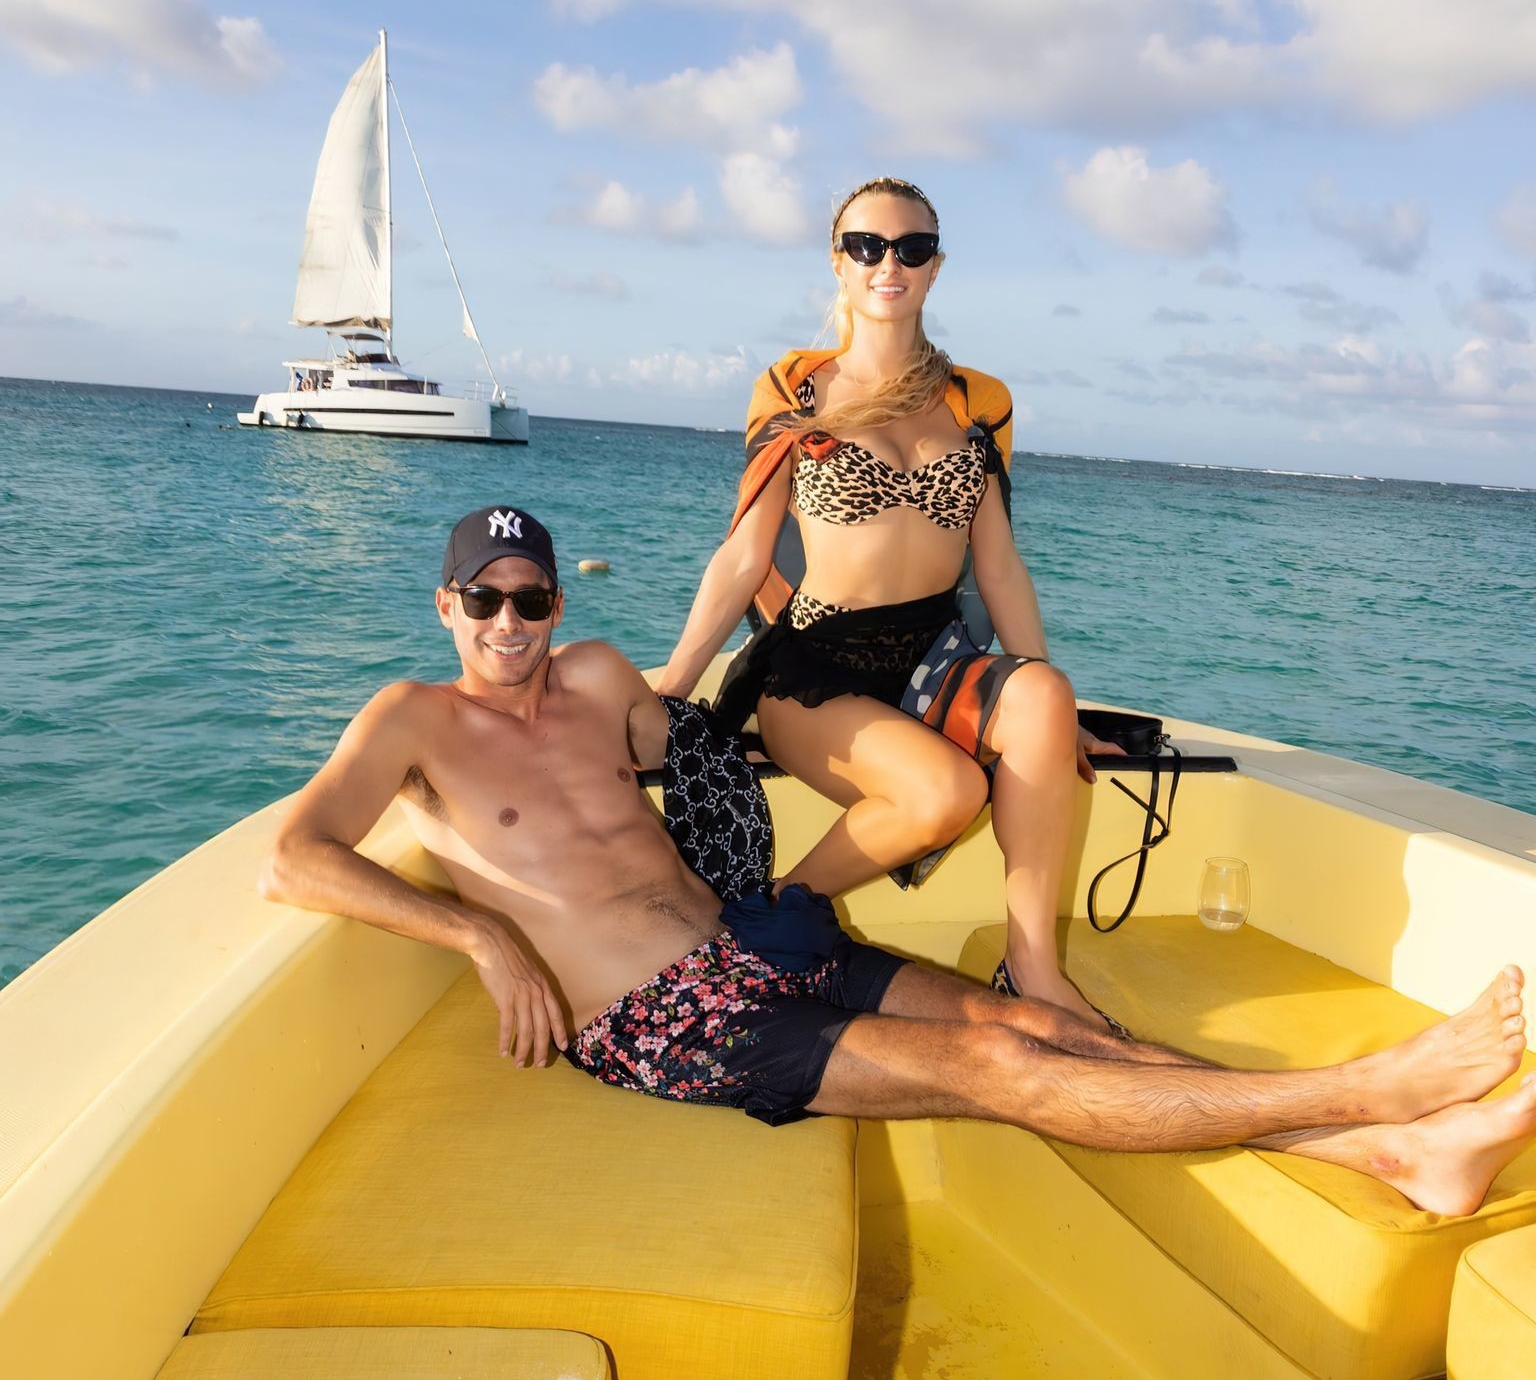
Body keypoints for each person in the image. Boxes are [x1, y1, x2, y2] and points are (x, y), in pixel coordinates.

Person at [256, 503, 1536, 1218]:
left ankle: (1395, 1156)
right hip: (657, 1017)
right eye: (483, 599)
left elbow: (708, 740)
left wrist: (953, 711)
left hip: (751, 942)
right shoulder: (412, 722)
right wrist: (481, 936)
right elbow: (294, 857)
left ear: (558, 607)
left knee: (1044, 1024)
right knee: (1002, 1070)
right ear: (446, 606)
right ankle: (1374, 1092)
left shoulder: (597, 682)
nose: (509, 622)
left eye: (531, 597)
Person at [656, 176, 1125, 1032]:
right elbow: (745, 555)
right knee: (943, 793)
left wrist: (1056, 719)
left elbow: (1000, 567)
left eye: (911, 248)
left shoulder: (978, 401)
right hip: (814, 664)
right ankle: (765, 918)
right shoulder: (796, 390)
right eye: (867, 246)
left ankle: (1033, 972)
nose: (889, 264)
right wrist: (675, 687)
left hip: (932, 657)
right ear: (837, 263)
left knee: (1045, 698)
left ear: (935, 268)